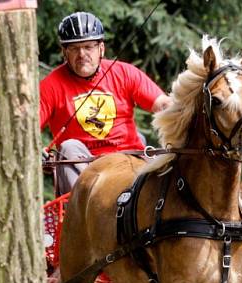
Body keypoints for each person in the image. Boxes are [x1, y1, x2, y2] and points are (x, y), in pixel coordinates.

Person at [40, 11, 173, 195]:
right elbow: (25, 129)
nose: (82, 54)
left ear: (101, 48)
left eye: (88, 47)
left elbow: (162, 104)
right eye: (74, 48)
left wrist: (188, 107)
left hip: (128, 159)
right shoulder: (51, 85)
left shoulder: (125, 72)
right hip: (86, 169)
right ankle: (79, 217)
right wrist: (35, 151)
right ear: (64, 52)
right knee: (69, 147)